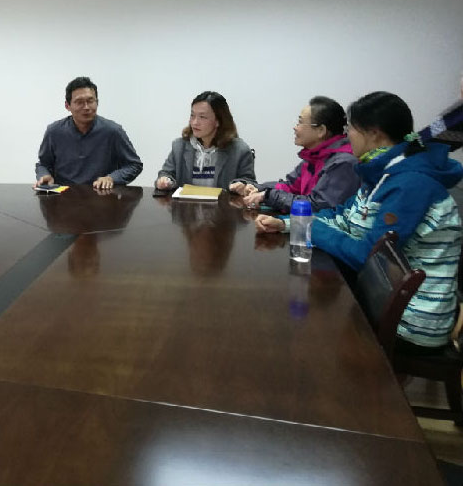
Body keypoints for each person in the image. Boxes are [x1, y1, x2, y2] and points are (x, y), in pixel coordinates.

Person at [256, 92, 463, 351]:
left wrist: (313, 228)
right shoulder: (381, 172)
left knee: (295, 325)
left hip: (410, 321)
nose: (346, 136)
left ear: (374, 133)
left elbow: (374, 258)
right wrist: (289, 223)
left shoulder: (411, 183)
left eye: (350, 129)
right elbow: (343, 215)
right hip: (381, 299)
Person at [230, 96, 358, 212]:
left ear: (321, 130)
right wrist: (254, 187)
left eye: (300, 122)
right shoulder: (314, 157)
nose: (295, 127)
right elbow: (289, 186)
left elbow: (317, 206)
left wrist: (267, 195)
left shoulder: (343, 163)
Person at [35, 77, 142, 189]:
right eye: (79, 102)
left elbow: (134, 165)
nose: (86, 107)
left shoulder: (113, 131)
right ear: (67, 106)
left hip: (102, 194)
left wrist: (112, 178)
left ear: (97, 103)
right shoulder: (54, 131)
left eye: (90, 101)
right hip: (64, 194)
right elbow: (43, 164)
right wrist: (44, 175)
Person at [155, 91, 255, 190]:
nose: (194, 122)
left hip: (223, 201)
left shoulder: (239, 150)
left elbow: (250, 182)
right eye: (192, 115)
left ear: (218, 121)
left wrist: (242, 185)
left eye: (202, 117)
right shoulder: (179, 146)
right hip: (186, 201)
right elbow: (166, 173)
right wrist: (164, 180)